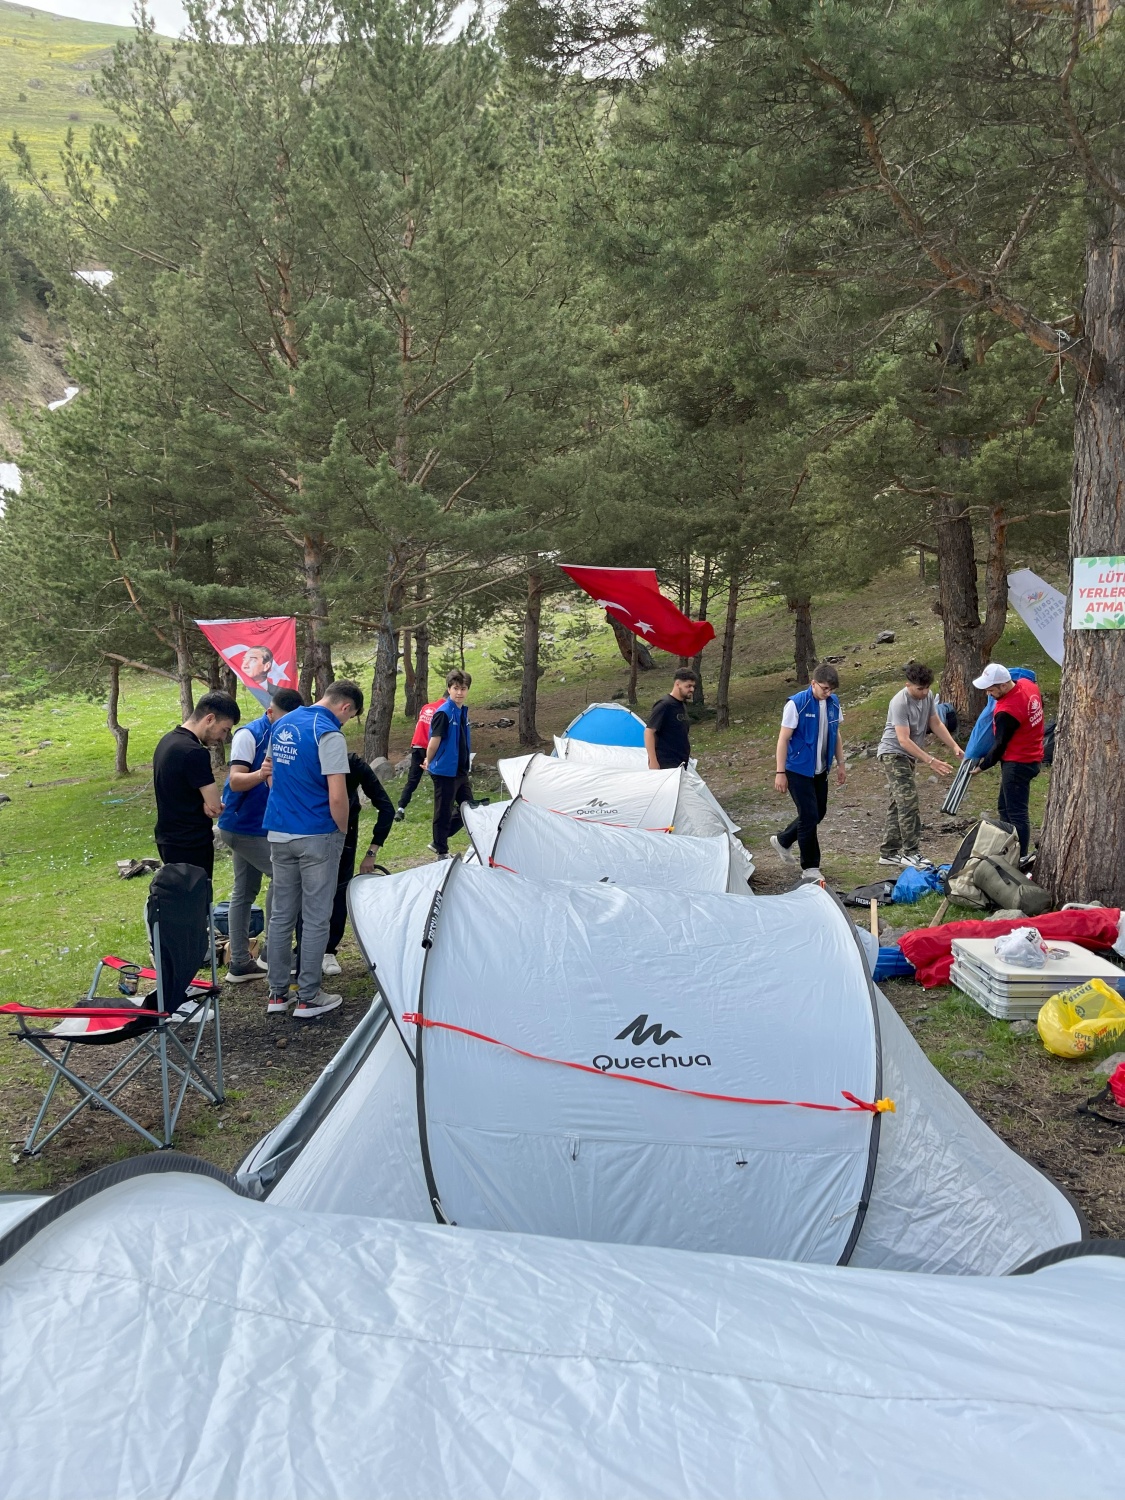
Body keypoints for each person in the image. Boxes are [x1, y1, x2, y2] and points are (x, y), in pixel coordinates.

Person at [263, 680, 364, 1020]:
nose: (345, 723)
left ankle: (277, 994)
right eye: (349, 718)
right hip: (317, 834)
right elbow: (338, 794)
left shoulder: (282, 722)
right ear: (345, 707)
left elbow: (271, 777)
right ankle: (308, 995)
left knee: (281, 915)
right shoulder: (329, 733)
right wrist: (342, 830)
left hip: (279, 830)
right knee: (316, 916)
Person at [216, 686, 305, 984]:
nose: (288, 726)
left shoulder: (292, 734)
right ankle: (270, 953)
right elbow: (236, 781)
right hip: (242, 825)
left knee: (244, 890)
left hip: (263, 825)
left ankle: (240, 963)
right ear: (269, 712)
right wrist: (261, 774)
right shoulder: (249, 735)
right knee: (284, 879)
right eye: (282, 719)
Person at [311, 753, 397, 977]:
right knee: (309, 889)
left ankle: (328, 950)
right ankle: (303, 950)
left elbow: (386, 807)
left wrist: (372, 852)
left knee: (339, 888)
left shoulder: (355, 765)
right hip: (311, 830)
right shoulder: (310, 759)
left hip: (344, 830)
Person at [875, 662, 964, 868]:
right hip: (893, 753)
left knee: (898, 802)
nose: (924, 693)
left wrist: (954, 746)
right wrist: (930, 761)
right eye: (919, 689)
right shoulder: (899, 702)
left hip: (908, 756)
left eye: (926, 688)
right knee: (908, 802)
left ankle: (888, 852)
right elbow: (903, 740)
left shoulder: (929, 696)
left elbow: (935, 722)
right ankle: (911, 853)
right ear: (908, 684)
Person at [152, 692, 240, 880]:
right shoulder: (194, 753)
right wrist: (211, 805)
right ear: (210, 719)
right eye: (224, 730)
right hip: (191, 843)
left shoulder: (167, 741)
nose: (224, 738)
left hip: (168, 838)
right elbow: (215, 806)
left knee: (179, 899)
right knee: (196, 903)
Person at [770, 663, 845, 884]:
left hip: (820, 769)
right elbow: (783, 739)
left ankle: (784, 840)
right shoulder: (797, 704)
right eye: (824, 688)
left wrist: (840, 763)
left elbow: (836, 734)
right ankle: (811, 867)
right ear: (813, 684)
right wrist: (780, 772)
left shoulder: (833, 703)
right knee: (809, 816)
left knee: (818, 812)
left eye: (831, 689)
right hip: (797, 769)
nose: (828, 693)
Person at [970, 663, 1045, 860]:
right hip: (1033, 754)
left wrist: (982, 766)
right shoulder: (1028, 685)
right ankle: (1009, 849)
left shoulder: (1007, 711)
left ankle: (1019, 858)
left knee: (1017, 814)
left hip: (1018, 763)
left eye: (991, 689)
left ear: (1003, 685)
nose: (988, 693)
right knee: (1004, 807)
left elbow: (1000, 744)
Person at [423, 670, 473, 859]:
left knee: (469, 807)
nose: (459, 692)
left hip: (460, 770)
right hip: (444, 769)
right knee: (443, 809)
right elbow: (434, 741)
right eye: (455, 688)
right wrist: (429, 760)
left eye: (463, 688)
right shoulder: (443, 713)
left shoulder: (462, 712)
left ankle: (439, 839)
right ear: (449, 689)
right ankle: (441, 850)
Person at [395, 694, 444, 822]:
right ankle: (445, 808)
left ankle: (401, 808)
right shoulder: (444, 710)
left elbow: (419, 725)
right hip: (430, 747)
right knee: (441, 779)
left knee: (412, 780)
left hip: (417, 745)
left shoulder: (426, 707)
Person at [645, 669, 695, 769]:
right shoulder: (664, 704)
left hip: (681, 762)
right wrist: (653, 761)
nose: (692, 689)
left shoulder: (682, 705)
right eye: (688, 686)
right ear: (677, 684)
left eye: (693, 686)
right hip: (666, 763)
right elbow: (649, 732)